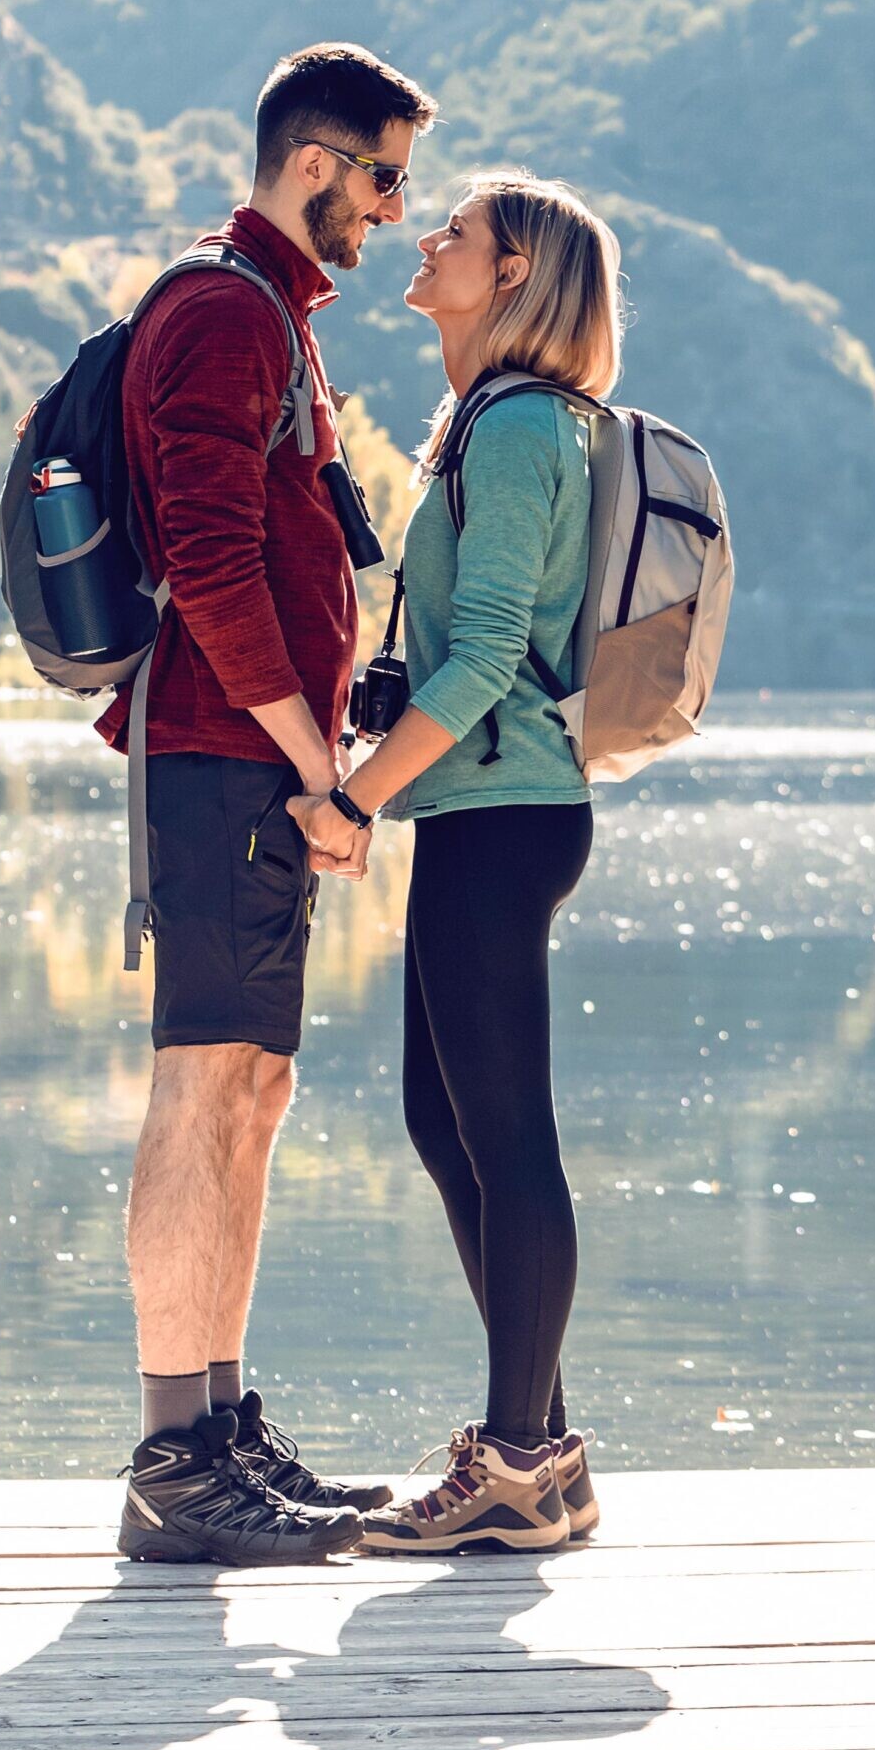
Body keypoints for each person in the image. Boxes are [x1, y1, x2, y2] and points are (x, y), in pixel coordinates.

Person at [109, 42, 437, 1566]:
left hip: (253, 757)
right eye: (381, 179)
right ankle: (175, 1456)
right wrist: (320, 770)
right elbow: (216, 563)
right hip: (223, 757)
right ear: (312, 162)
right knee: (203, 1083)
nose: (391, 211)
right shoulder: (221, 312)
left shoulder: (270, 316)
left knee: (256, 1085)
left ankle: (221, 1428)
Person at [290, 172, 621, 1554]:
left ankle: (524, 1457)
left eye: (458, 235)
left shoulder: (525, 428)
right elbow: (465, 644)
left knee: (505, 1134)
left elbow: (489, 656)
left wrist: (354, 801)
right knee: (449, 1126)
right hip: (482, 813)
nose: (426, 241)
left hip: (501, 815)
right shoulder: (488, 424)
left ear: (516, 277)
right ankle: (539, 1447)